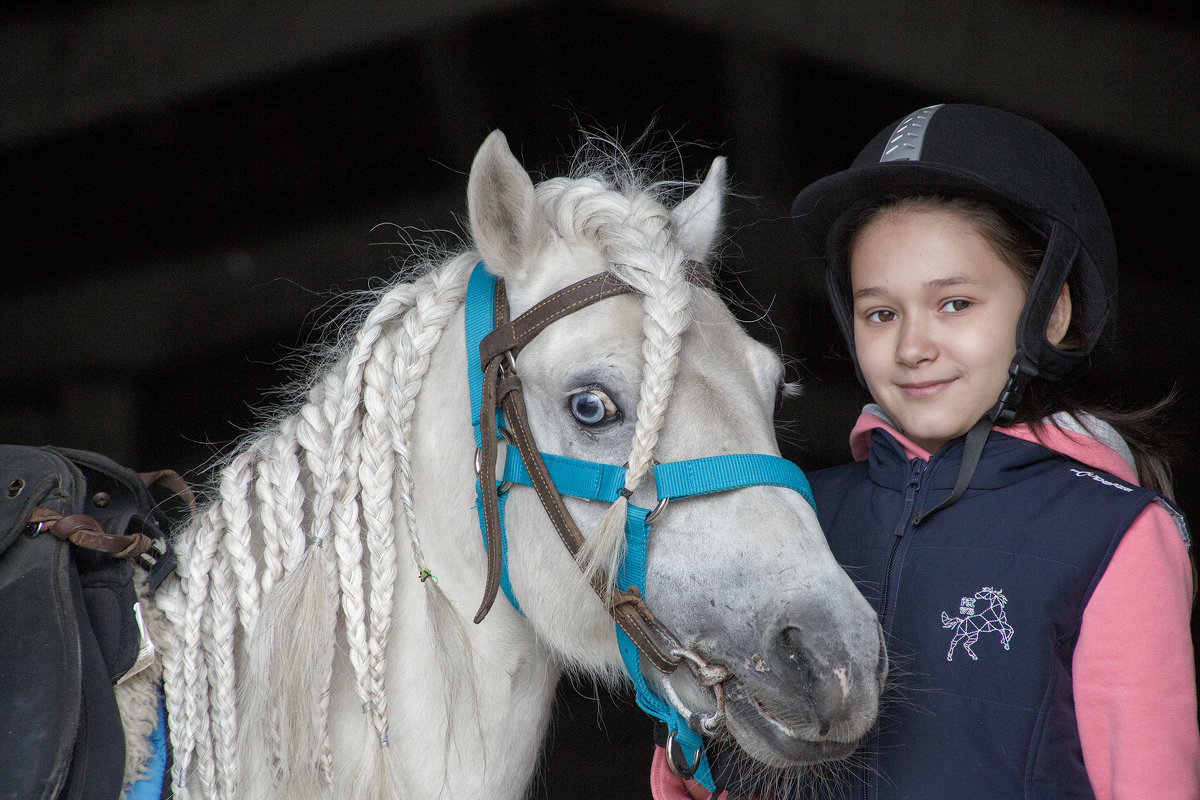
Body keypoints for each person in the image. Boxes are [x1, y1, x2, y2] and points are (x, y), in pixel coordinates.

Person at [650, 103, 1199, 799]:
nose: (912, 347)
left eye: (954, 304)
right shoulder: (800, 510)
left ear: (1051, 314)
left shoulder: (1117, 534)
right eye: (881, 313)